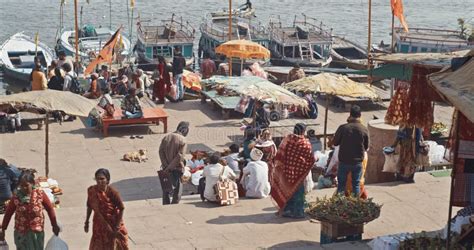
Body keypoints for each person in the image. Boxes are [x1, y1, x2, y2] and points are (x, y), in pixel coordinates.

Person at [0, 171, 60, 249]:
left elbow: (50, 209)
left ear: (32, 184)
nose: (24, 188)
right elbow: (8, 213)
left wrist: (54, 225)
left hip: (36, 234)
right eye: (21, 186)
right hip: (21, 234)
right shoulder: (16, 196)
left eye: (26, 185)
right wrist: (3, 228)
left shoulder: (40, 193)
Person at [271, 123, 314, 218]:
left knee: (287, 190)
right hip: (298, 174)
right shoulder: (305, 143)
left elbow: (279, 154)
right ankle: (298, 212)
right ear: (303, 131)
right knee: (298, 192)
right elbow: (310, 159)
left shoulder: (286, 140)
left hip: (286, 172)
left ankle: (287, 210)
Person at [85, 168, 129, 250]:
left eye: (102, 179)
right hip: (99, 224)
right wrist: (87, 221)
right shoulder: (92, 191)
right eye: (97, 179)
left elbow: (122, 208)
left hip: (112, 223)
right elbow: (89, 205)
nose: (99, 181)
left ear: (107, 180)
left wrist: (117, 226)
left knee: (114, 244)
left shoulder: (113, 193)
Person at [333, 105, 369, 196]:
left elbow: (335, 142)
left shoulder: (343, 128)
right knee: (356, 185)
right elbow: (366, 147)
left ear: (350, 115)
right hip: (357, 163)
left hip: (344, 161)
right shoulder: (364, 129)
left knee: (341, 185)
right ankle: (355, 205)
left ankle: (340, 205)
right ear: (360, 115)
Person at [159, 121, 190, 205]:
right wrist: (171, 167)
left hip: (165, 168)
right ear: (184, 130)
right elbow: (180, 156)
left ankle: (166, 203)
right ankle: (174, 204)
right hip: (177, 168)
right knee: (178, 188)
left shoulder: (166, 137)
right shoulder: (183, 140)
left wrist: (166, 165)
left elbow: (161, 152)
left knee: (166, 187)